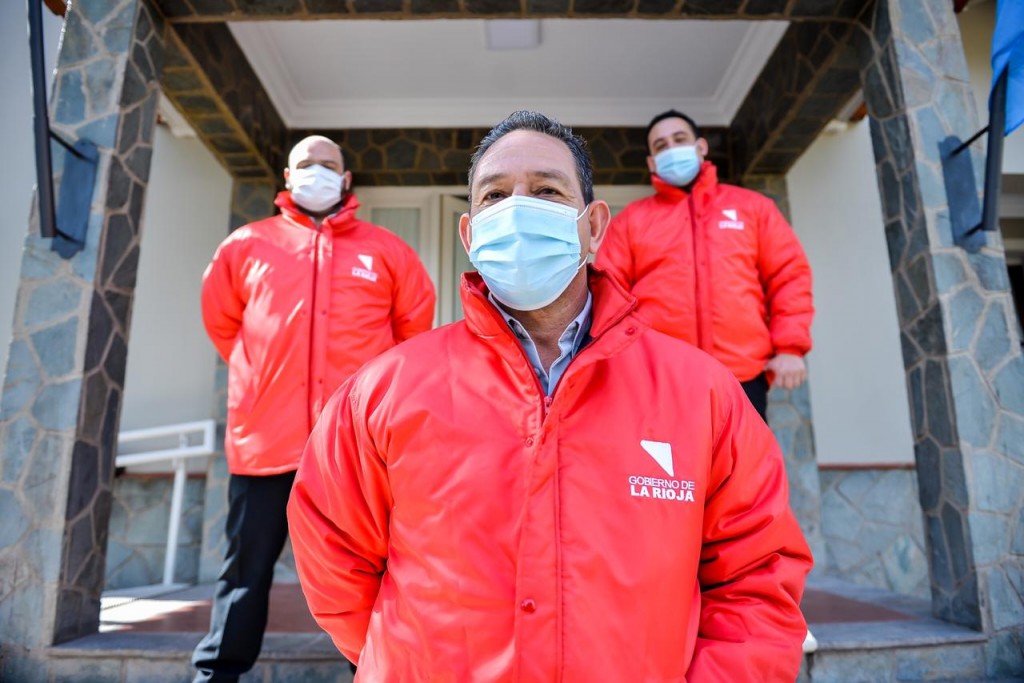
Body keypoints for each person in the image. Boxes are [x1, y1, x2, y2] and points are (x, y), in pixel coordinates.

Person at [287, 111, 813, 681]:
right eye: (494, 196)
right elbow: (333, 559)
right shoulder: (382, 391)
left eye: (546, 191)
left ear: (594, 227)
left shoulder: (704, 394)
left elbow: (756, 582)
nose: (518, 210)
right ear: (469, 234)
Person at [192, 135, 436, 682]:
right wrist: (265, 378)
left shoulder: (387, 251)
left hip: (353, 451)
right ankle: (217, 675)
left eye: (329, 164)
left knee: (367, 572)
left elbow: (412, 335)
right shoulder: (245, 246)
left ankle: (372, 672)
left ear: (346, 180)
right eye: (306, 163)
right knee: (245, 571)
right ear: (287, 175)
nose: (317, 171)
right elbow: (223, 325)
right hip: (265, 441)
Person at [595, 109, 814, 420]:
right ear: (652, 162)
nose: (671, 149)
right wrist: (615, 361)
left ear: (700, 147)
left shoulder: (753, 208)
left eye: (679, 139)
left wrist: (790, 346)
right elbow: (608, 296)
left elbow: (789, 277)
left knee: (743, 455)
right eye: (661, 146)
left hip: (742, 375)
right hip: (661, 378)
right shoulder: (631, 221)